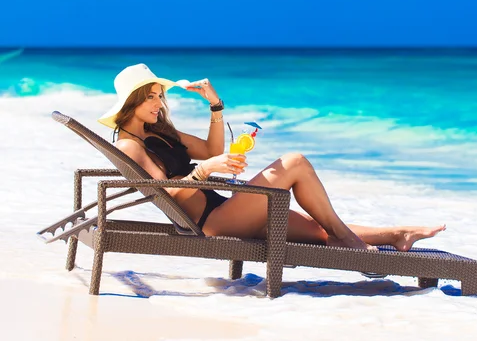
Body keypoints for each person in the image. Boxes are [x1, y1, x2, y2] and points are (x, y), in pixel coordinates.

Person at [98, 64, 445, 251]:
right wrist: (204, 171)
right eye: (152, 98)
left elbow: (211, 151)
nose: (160, 104)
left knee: (320, 233)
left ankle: (398, 234)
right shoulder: (130, 146)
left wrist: (215, 106)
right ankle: (351, 242)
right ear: (131, 102)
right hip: (211, 223)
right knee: (293, 162)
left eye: (160, 97)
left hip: (223, 209)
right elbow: (167, 193)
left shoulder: (159, 133)